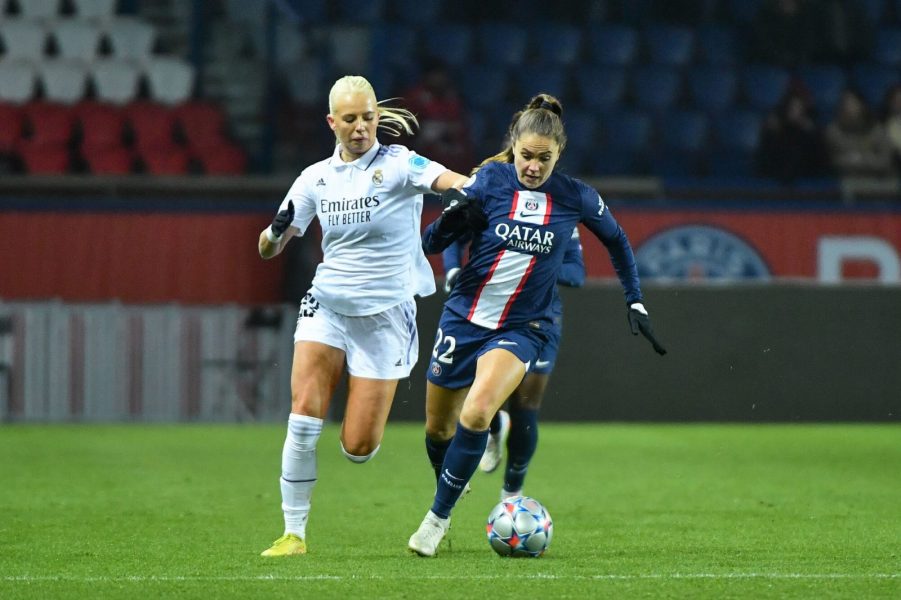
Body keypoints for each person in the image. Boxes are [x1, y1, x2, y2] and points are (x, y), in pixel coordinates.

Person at [407, 93, 667, 557]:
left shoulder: (575, 197)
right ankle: (450, 482)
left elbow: (618, 240)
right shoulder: (487, 179)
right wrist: (452, 217)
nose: (533, 166)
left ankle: (435, 519)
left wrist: (636, 300)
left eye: (544, 159)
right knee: (437, 430)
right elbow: (430, 241)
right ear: (513, 147)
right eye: (526, 156)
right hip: (464, 317)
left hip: (524, 327)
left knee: (478, 412)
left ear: (558, 155)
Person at [256, 75, 467, 557]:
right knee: (304, 417)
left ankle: (375, 445)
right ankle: (293, 534)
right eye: (350, 119)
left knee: (358, 448)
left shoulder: (398, 164)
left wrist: (465, 189)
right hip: (326, 306)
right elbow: (268, 246)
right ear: (332, 122)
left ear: (377, 116)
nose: (360, 127)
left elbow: (448, 180)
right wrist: (274, 234)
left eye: (368, 117)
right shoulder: (314, 178)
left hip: (385, 318)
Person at [442, 226, 585, 498]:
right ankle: (495, 427)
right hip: (486, 313)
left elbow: (576, 274)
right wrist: (451, 270)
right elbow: (454, 236)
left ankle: (512, 494)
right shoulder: (494, 197)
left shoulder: (564, 214)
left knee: (525, 407)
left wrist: (530, 265)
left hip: (538, 319)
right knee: (480, 392)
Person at [755, 81, 829, 183]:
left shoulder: (811, 128)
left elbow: (821, 161)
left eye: (798, 107)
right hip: (775, 172)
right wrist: (772, 132)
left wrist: (813, 134)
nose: (795, 111)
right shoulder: (775, 126)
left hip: (806, 173)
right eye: (792, 107)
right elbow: (764, 159)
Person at [825, 89, 895, 178]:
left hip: (878, 180)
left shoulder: (877, 130)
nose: (849, 108)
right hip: (847, 180)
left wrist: (861, 159)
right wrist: (851, 160)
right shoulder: (833, 131)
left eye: (853, 104)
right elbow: (832, 160)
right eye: (846, 104)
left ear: (862, 106)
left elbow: (885, 161)